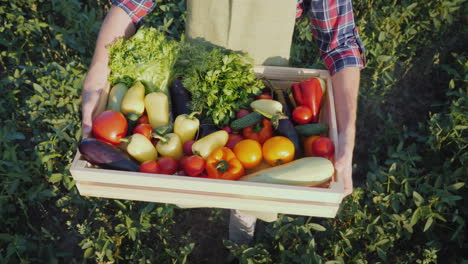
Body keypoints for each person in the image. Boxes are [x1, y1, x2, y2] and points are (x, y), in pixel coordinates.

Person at [81, 0, 365, 246]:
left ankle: (242, 232)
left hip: (262, 78)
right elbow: (131, 5)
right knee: (213, 170)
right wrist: (96, 75)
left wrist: (347, 128)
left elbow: (340, 41)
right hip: (199, 79)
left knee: (252, 188)